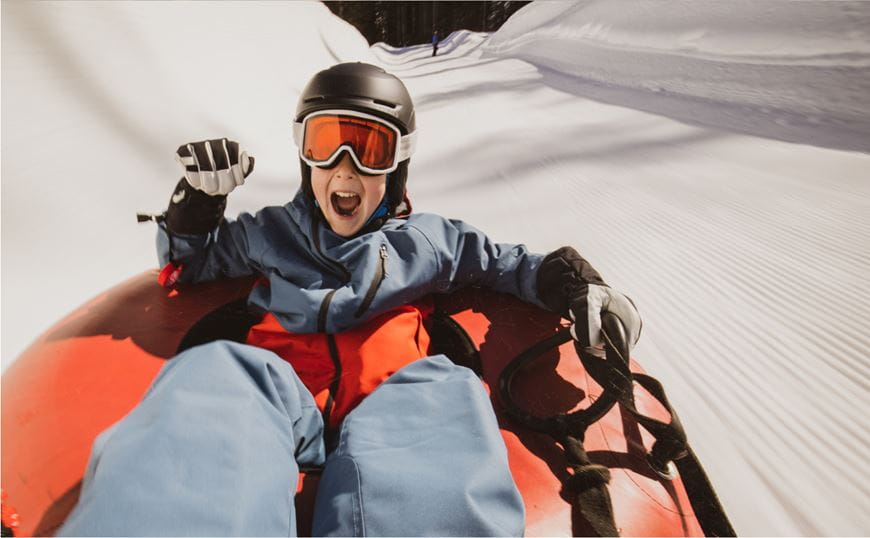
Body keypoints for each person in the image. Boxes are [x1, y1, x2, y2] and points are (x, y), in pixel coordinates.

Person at [58, 62, 642, 537]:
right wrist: (196, 205)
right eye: (327, 143)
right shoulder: (271, 231)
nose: (345, 169)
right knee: (210, 378)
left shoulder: (430, 241)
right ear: (304, 156)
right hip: (276, 383)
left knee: (448, 398)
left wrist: (575, 283)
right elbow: (190, 263)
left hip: (396, 390)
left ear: (397, 167)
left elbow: (509, 265)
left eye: (369, 149)